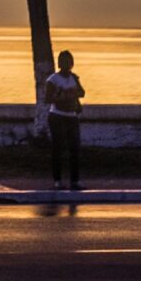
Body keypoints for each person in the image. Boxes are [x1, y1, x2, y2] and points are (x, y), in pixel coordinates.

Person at [43, 50, 86, 189]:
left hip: (72, 117)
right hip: (57, 116)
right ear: (60, 63)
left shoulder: (74, 77)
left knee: (75, 149)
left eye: (69, 61)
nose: (67, 64)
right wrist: (62, 96)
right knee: (58, 149)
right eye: (64, 61)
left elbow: (82, 92)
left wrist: (74, 95)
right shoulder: (53, 79)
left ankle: (75, 181)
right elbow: (47, 99)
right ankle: (57, 181)